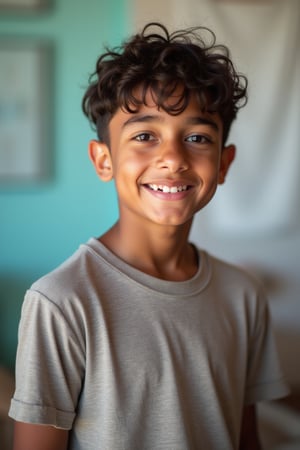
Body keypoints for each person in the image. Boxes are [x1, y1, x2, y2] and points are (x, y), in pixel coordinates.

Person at [9, 22, 289, 450]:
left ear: (223, 164)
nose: (173, 159)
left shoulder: (243, 295)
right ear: (103, 160)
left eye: (196, 137)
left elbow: (245, 437)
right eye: (144, 135)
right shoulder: (61, 302)